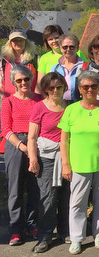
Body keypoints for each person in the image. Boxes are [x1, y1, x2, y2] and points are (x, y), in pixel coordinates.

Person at [58, 71, 99, 254]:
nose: (90, 89)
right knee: (77, 203)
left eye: (94, 86)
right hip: (79, 165)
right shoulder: (71, 110)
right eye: (86, 86)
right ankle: (76, 238)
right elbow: (64, 140)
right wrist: (65, 165)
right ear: (80, 89)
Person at [27, 72, 70, 253]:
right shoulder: (39, 107)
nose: (55, 90)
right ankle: (45, 236)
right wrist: (33, 158)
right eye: (51, 87)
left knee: (66, 196)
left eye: (58, 87)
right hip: (46, 157)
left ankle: (65, 231)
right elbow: (32, 137)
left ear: (64, 87)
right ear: (45, 89)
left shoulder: (70, 106)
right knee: (48, 197)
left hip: (67, 156)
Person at [2, 65, 42, 246]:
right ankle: (15, 228)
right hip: (16, 145)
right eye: (19, 80)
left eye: (26, 79)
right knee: (15, 189)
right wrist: (23, 146)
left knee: (36, 187)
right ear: (14, 83)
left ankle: (32, 224)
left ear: (31, 79)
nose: (23, 83)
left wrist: (33, 147)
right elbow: (6, 129)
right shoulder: (8, 101)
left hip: (38, 143)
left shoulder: (40, 100)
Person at [1, 29, 38, 96]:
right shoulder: (4, 60)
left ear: (26, 42)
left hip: (30, 99)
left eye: (21, 40)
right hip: (9, 99)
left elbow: (39, 82)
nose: (18, 43)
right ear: (10, 43)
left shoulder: (34, 59)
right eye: (15, 40)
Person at [50, 34, 84, 103]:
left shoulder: (84, 67)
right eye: (65, 47)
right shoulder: (54, 69)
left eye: (71, 47)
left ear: (77, 48)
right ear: (61, 48)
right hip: (60, 105)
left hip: (79, 105)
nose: (68, 50)